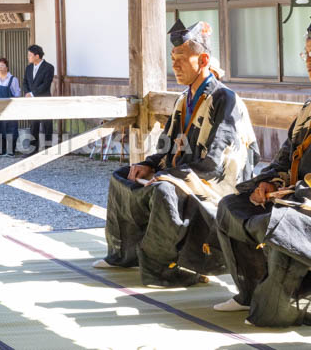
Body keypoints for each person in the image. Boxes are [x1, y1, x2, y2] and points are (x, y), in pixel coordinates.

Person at [96, 19, 260, 287]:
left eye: (181, 58)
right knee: (124, 175)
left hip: (214, 184)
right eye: (173, 58)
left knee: (164, 190)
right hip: (183, 173)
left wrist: (168, 176)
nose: (175, 65)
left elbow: (214, 164)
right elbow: (166, 145)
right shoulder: (184, 99)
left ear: (203, 60)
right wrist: (150, 165)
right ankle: (125, 255)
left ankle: (168, 268)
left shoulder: (224, 99)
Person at [213, 22, 311, 325]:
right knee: (231, 206)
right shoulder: (308, 109)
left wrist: (292, 193)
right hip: (294, 197)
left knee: (282, 221)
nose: (309, 62)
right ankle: (250, 292)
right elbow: (284, 160)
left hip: (302, 203)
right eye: (307, 54)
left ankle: (279, 307)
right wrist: (268, 183)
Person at [23, 44, 54, 155]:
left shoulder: (49, 67)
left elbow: (46, 84)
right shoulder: (29, 67)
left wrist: (32, 94)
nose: (28, 57)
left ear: (37, 56)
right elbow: (25, 82)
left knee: (47, 125)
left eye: (30, 55)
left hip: (44, 100)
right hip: (32, 101)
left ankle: (48, 150)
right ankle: (32, 149)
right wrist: (27, 93)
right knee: (33, 125)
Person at [0, 58, 21, 157]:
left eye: (2, 65)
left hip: (10, 108)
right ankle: (0, 150)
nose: (0, 67)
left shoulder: (13, 79)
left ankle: (11, 151)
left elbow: (17, 94)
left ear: (7, 67)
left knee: (11, 129)